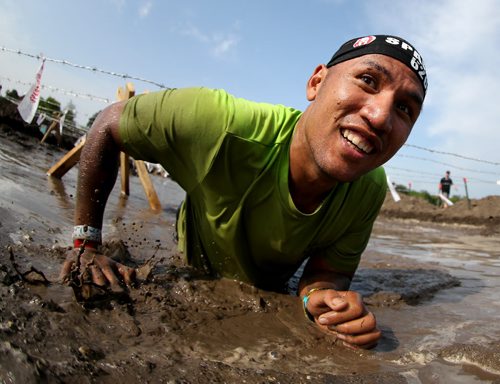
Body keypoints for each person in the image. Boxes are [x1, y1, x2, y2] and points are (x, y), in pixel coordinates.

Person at [60, 34, 427, 350]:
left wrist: (320, 299)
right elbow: (108, 124)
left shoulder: (368, 189)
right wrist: (86, 246)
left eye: (405, 108)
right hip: (190, 258)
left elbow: (327, 271)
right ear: (317, 82)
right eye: (367, 80)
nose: (381, 116)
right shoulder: (222, 126)